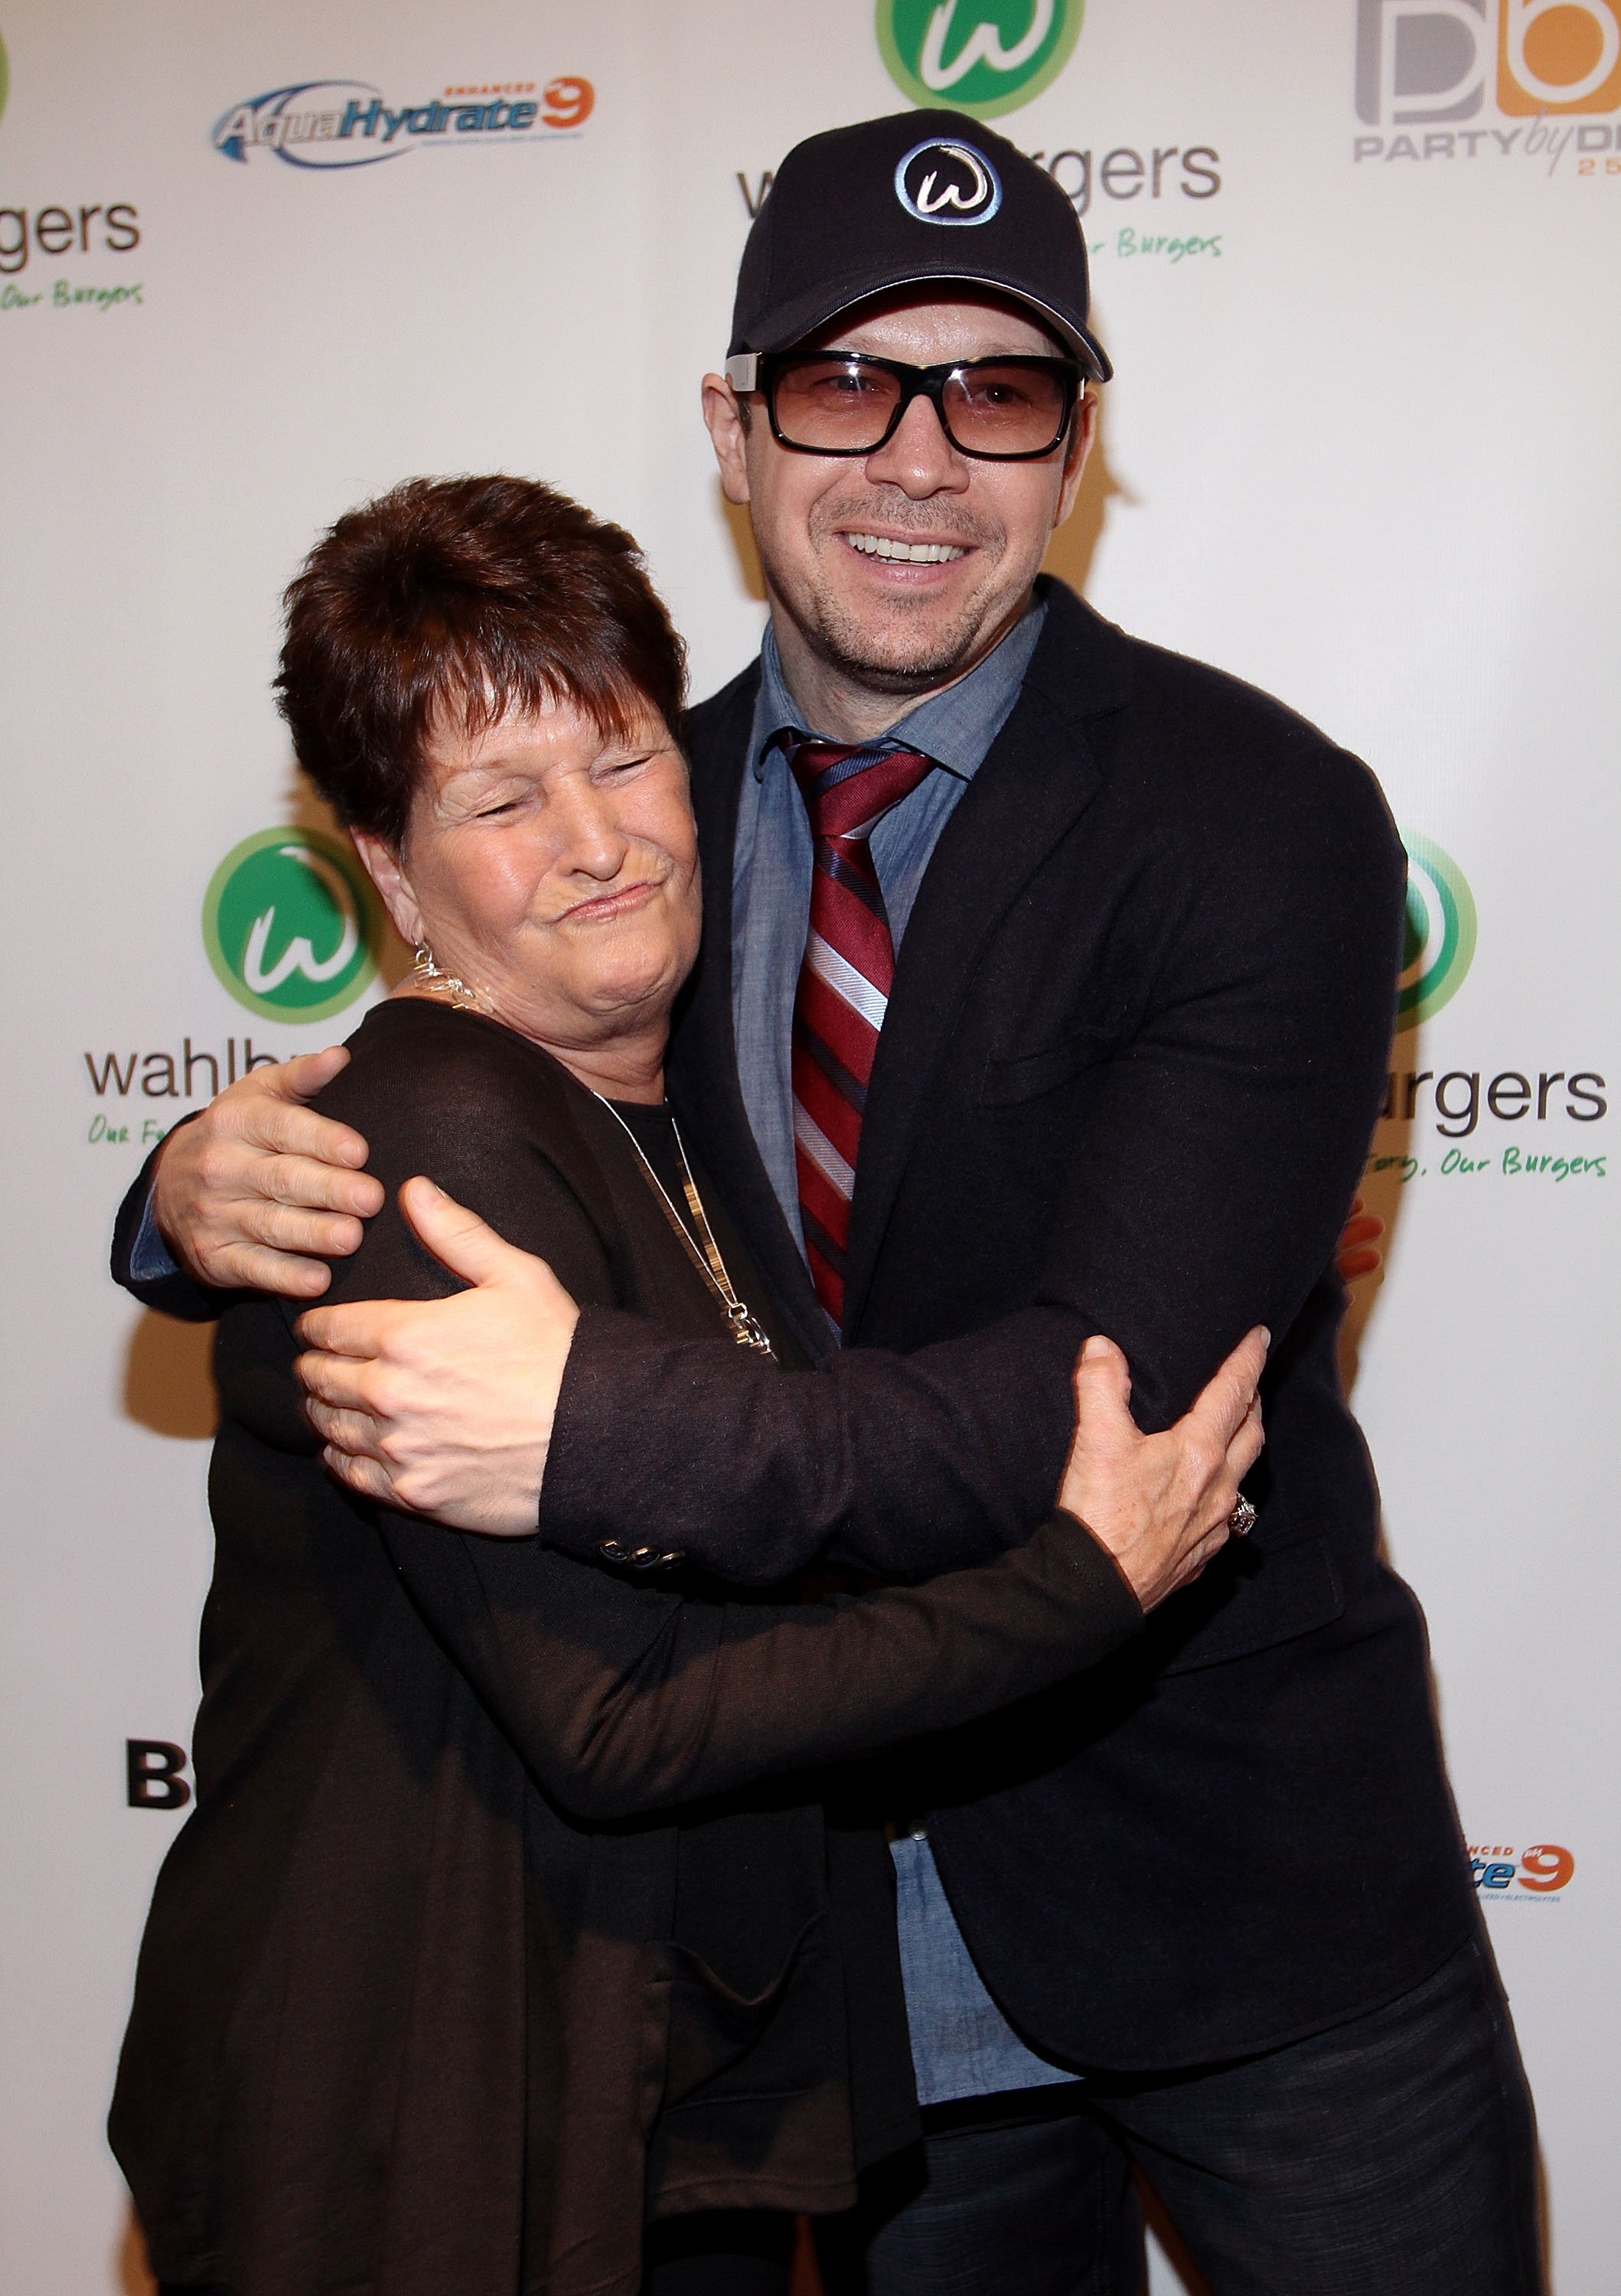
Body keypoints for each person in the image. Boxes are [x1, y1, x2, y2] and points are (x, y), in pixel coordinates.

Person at [118, 115, 1541, 2296]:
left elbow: (1112, 1397)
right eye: (842, 382)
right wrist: (185, 1195)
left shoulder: (1258, 820)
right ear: (730, 422)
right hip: (840, 1931)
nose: (913, 459)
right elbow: (439, 1108)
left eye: (993, 391)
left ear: (1073, 446)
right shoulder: (627, 807)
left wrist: (584, 1427)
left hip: (1241, 1892)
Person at [109, 473, 1265, 2296]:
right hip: (412, 2097)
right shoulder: (428, 1142)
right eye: (503, 799)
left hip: (641, 2072)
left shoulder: (677, 1088)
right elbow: (620, 1719)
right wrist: (1080, 1585)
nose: (600, 842)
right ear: (395, 874)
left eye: (626, 758)